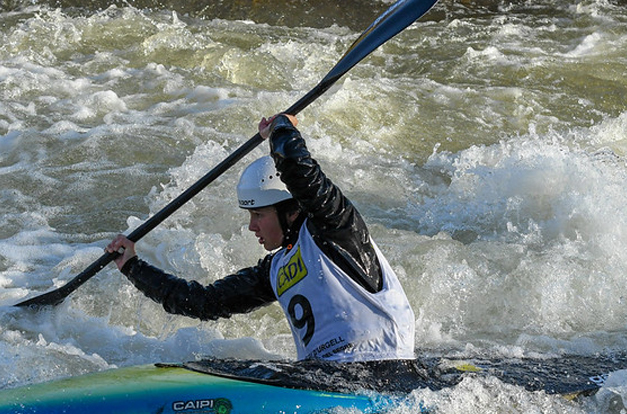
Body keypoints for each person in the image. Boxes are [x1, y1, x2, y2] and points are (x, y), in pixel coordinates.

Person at [106, 114, 415, 362]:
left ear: (291, 211)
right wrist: (133, 266)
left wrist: (281, 127)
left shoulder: (336, 228)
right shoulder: (275, 271)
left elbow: (300, 171)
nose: (252, 227)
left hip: (383, 366)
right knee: (219, 364)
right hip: (330, 379)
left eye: (259, 215)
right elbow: (203, 302)